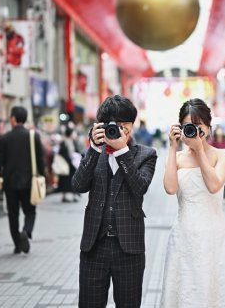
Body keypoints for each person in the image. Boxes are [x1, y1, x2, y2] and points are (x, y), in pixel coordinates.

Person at [161, 98, 225, 307]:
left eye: (198, 127)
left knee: (214, 290)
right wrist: (172, 149)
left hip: (213, 234)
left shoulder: (222, 155)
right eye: (187, 127)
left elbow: (214, 185)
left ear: (208, 128)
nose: (192, 132)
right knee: (184, 290)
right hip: (183, 234)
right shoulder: (177, 157)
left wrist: (200, 150)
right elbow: (170, 188)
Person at [72, 95, 157, 308]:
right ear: (100, 126)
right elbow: (78, 185)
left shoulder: (146, 155)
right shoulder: (93, 152)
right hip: (94, 246)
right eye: (113, 125)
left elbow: (140, 188)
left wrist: (122, 151)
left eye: (124, 124)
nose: (119, 129)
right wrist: (92, 147)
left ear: (132, 124)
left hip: (129, 248)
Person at [0, 106, 45, 254]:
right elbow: (41, 160)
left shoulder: (4, 138)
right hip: (29, 182)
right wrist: (43, 176)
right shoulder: (33, 136)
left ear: (13, 119)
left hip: (10, 183)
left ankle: (17, 244)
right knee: (30, 211)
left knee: (13, 214)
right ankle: (26, 232)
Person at [57, 127, 81, 203]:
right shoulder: (64, 142)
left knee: (69, 180)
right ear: (70, 134)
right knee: (66, 180)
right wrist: (70, 160)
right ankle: (65, 195)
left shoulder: (69, 142)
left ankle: (72, 195)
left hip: (72, 164)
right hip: (67, 164)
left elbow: (76, 151)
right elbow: (62, 153)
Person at [209, 126, 225, 201]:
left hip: (224, 163)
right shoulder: (212, 141)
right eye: (218, 130)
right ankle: (217, 195)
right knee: (216, 179)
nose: (220, 132)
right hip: (214, 164)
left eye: (221, 130)